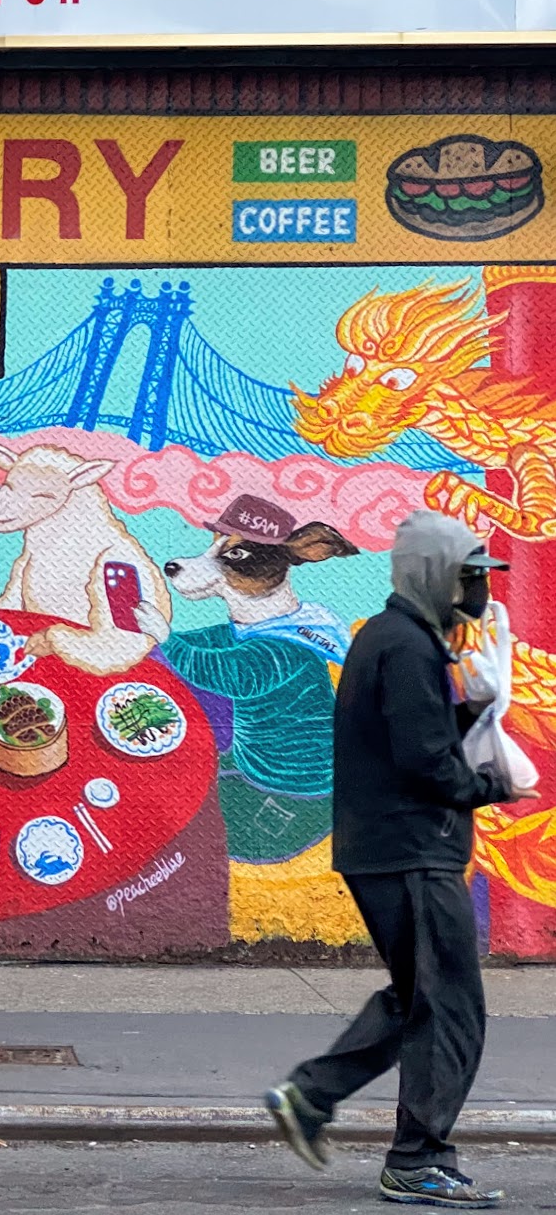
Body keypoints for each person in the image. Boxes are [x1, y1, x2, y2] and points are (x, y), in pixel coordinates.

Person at [266, 510, 538, 1208]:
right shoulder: (408, 647)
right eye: (470, 577)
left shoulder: (393, 639)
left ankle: (311, 1096)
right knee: (450, 1009)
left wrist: (470, 708)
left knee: (420, 997)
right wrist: (495, 784)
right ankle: (418, 1160)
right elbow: (426, 766)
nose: (477, 591)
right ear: (435, 575)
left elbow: (409, 740)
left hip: (387, 848)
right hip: (413, 852)